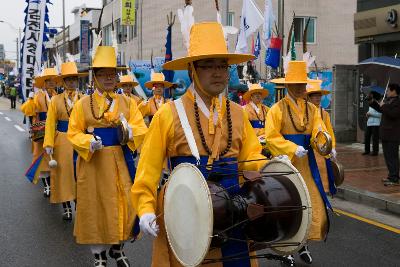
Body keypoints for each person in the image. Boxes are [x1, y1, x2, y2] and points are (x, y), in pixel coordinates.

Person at [131, 22, 265, 267]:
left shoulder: (237, 112)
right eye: (209, 66)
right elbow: (147, 170)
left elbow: (252, 155)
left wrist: (270, 167)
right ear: (192, 69)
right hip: (186, 209)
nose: (218, 73)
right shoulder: (168, 114)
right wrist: (146, 207)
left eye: (223, 66)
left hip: (234, 209)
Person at [67, 45, 148, 267]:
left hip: (121, 161)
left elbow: (141, 128)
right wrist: (88, 142)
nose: (109, 78)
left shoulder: (128, 102)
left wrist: (130, 131)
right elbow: (73, 132)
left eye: (112, 74)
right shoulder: (83, 104)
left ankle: (118, 248)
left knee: (125, 203)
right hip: (94, 162)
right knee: (96, 207)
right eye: (103, 74)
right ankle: (98, 255)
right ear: (95, 77)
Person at [267, 61, 332, 266]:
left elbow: (318, 131)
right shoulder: (277, 109)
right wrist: (290, 148)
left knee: (312, 204)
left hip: (306, 163)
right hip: (287, 163)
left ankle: (303, 244)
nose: (299, 88)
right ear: (287, 85)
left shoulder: (312, 110)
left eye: (302, 84)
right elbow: (271, 136)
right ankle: (287, 249)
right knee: (288, 206)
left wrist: (324, 145)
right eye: (295, 84)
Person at [43, 61, 87, 220]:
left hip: (80, 141)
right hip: (61, 140)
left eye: (74, 79)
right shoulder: (55, 100)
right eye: (68, 79)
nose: (71, 82)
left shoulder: (84, 99)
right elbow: (50, 123)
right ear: (63, 81)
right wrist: (48, 143)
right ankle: (67, 207)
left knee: (80, 174)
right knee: (63, 175)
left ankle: (80, 204)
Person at [24, 68, 59, 197]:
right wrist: (30, 98)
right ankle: (47, 186)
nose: (51, 83)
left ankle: (54, 183)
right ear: (43, 83)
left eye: (53, 81)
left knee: (56, 158)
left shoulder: (57, 96)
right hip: (41, 132)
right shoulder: (38, 96)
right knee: (42, 160)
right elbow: (28, 111)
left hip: (56, 132)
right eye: (48, 81)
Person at [306, 80, 337, 195]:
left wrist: (332, 146)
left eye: (319, 95)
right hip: (311, 149)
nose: (318, 98)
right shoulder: (306, 113)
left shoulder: (324, 114)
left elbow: (329, 131)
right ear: (309, 97)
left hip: (323, 150)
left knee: (325, 175)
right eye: (314, 95)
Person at [370, 83, 400, 186]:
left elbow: (393, 114)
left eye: (388, 90)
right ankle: (391, 175)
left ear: (394, 91)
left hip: (393, 134)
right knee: (387, 157)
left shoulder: (398, 102)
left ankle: (395, 178)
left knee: (393, 157)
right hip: (385, 133)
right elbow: (382, 109)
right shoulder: (388, 100)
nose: (386, 92)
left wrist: (384, 106)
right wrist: (372, 102)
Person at [363, 92, 382, 156]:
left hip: (376, 124)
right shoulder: (370, 105)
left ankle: (375, 151)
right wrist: (367, 114)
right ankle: (367, 150)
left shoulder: (377, 105)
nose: (368, 102)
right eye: (367, 100)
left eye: (369, 100)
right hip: (369, 123)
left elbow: (380, 114)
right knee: (367, 137)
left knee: (375, 138)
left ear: (372, 99)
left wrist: (371, 114)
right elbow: (369, 112)